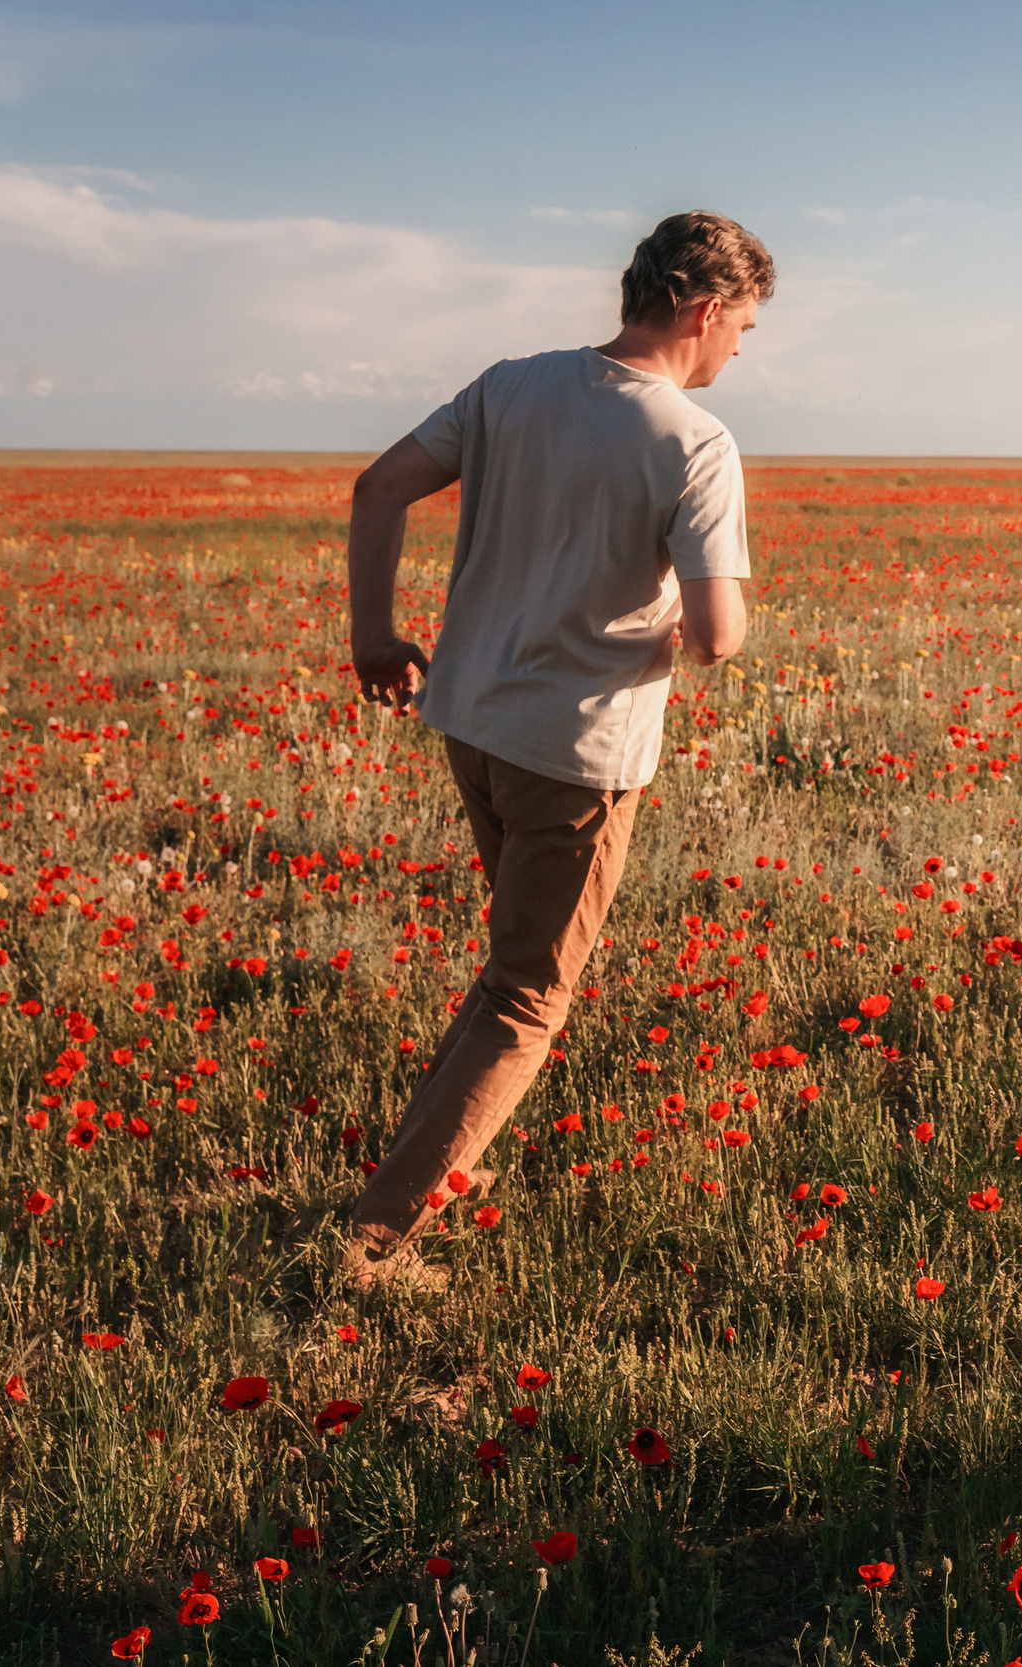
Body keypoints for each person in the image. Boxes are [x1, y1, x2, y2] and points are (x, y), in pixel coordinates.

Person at [337, 210, 773, 1292]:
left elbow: (377, 487)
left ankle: (446, 1163)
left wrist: (373, 637)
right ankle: (372, 1245)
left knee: (508, 976)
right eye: (745, 327)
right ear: (703, 308)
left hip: (474, 724)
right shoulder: (693, 440)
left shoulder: (510, 385)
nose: (739, 350)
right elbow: (720, 636)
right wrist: (684, 627)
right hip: (578, 750)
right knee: (530, 998)